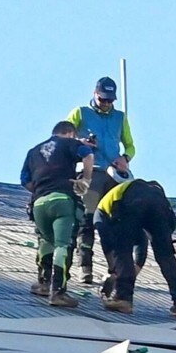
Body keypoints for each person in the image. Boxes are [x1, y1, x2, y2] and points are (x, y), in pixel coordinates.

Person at [19, 121, 96, 308]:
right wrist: (86, 180)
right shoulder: (70, 143)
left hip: (39, 204)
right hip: (62, 200)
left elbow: (24, 180)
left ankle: (43, 283)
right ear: (70, 133)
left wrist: (41, 190)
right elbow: (88, 155)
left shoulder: (34, 151)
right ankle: (58, 292)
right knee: (63, 244)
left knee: (46, 241)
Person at [66, 77, 135, 285]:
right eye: (103, 99)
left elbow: (130, 145)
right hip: (90, 173)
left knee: (114, 224)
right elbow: (62, 136)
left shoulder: (119, 117)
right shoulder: (80, 113)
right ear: (95, 94)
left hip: (113, 175)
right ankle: (85, 267)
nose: (106, 104)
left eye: (110, 100)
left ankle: (114, 270)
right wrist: (80, 142)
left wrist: (125, 158)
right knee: (86, 221)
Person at [93, 177, 176, 318]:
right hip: (161, 204)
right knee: (166, 256)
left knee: (122, 248)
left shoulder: (101, 212)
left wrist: (114, 272)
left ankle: (123, 298)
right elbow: (141, 254)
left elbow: (109, 246)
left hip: (132, 201)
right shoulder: (145, 204)